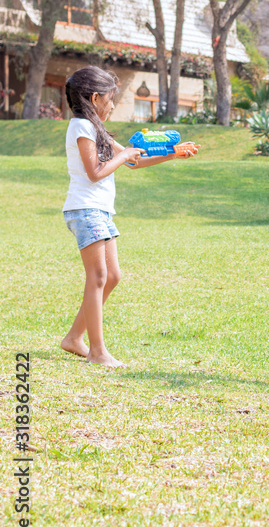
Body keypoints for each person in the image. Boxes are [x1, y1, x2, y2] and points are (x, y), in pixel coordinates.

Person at [60, 66, 198, 368]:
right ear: (95, 98)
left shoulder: (95, 128)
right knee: (98, 277)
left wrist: (173, 153)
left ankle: (74, 339)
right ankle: (97, 351)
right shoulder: (81, 127)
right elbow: (95, 172)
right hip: (85, 209)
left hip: (100, 210)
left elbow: (134, 160)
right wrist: (122, 155)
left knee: (112, 276)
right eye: (110, 99)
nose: (112, 105)